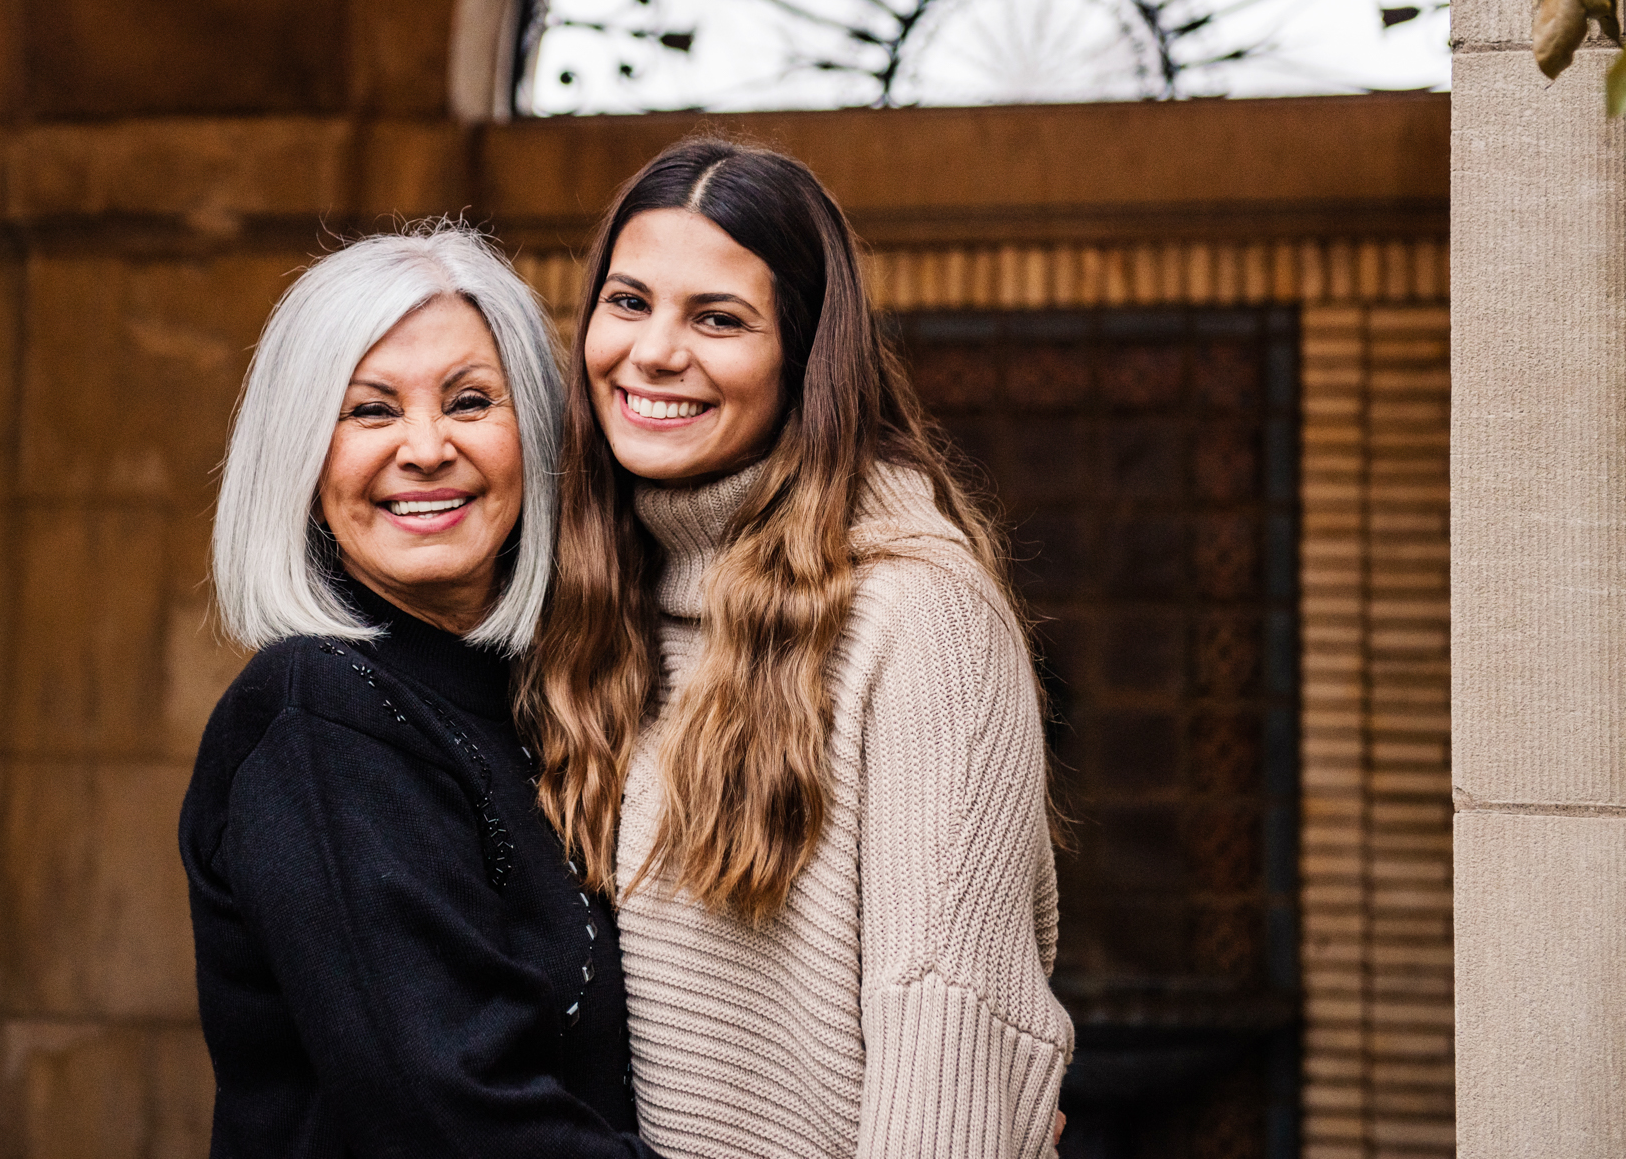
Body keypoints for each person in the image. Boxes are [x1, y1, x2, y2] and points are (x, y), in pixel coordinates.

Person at [520, 140, 1072, 1158]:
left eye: (718, 318)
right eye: (629, 302)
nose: (653, 352)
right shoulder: (593, 605)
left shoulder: (920, 618)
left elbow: (947, 1026)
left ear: (804, 357)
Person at [179, 225, 655, 1158]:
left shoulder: (548, 702)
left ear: (536, 439)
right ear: (302, 457)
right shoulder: (321, 715)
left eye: (472, 401)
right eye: (371, 411)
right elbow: (456, 1121)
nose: (427, 448)